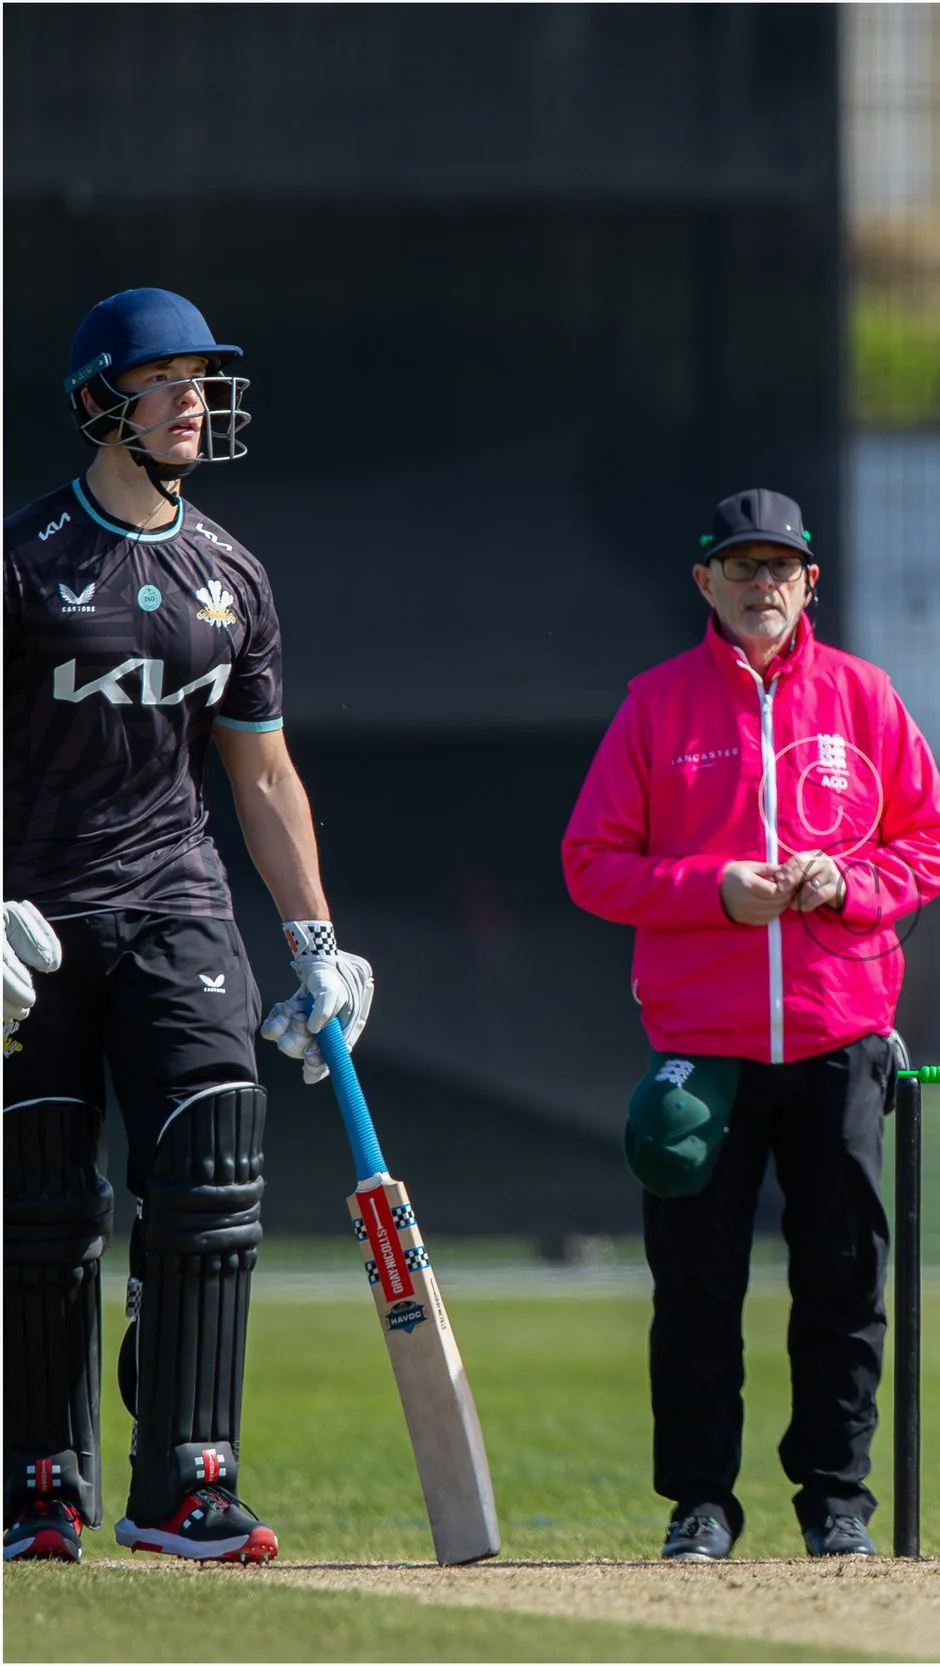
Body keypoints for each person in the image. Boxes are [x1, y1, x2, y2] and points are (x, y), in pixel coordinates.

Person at [3, 288, 375, 1564]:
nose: (193, 403)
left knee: (216, 1154)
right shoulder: (24, 556)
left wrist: (317, 941)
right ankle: (36, 1486)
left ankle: (186, 1484)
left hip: (179, 903)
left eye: (203, 381)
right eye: (165, 379)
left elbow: (262, 776)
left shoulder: (232, 577)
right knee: (41, 1193)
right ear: (101, 398)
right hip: (33, 918)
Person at [562, 487, 940, 1562]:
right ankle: (700, 1502)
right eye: (739, 567)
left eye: (778, 567)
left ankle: (837, 1502)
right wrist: (715, 889)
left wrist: (848, 880)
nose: (760, 585)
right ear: (705, 582)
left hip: (841, 1036)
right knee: (697, 1290)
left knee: (843, 1279)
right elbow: (591, 864)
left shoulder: (863, 696)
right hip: (708, 1048)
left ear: (808, 581)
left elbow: (937, 842)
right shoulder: (656, 704)